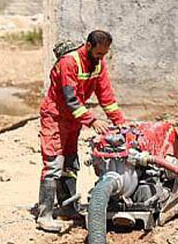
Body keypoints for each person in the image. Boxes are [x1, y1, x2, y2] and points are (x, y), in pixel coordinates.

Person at [37, 30, 127, 233]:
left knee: (70, 163)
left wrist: (120, 122)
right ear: (88, 46)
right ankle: (45, 215)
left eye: (104, 55)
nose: (100, 59)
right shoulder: (69, 62)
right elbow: (71, 100)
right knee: (53, 165)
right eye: (98, 54)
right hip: (55, 117)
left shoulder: (98, 63)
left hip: (73, 121)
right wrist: (92, 121)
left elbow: (106, 95)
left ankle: (67, 208)